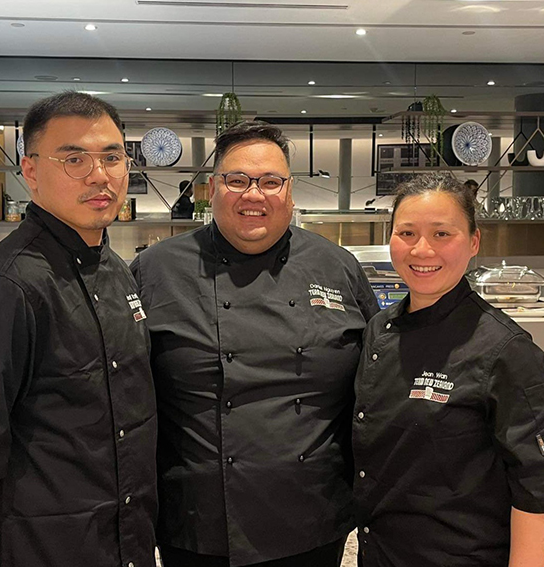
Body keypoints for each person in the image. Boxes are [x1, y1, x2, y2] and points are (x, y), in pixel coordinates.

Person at [130, 121, 380, 567]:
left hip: (312, 515)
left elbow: (377, 381)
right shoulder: (155, 271)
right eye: (237, 180)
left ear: (289, 192)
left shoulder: (337, 266)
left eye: (270, 182)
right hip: (197, 520)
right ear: (212, 189)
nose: (254, 195)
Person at [0, 92, 157, 567]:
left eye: (112, 157)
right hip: (43, 549)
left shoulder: (115, 268)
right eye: (74, 158)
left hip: (122, 540)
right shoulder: (4, 288)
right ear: (30, 171)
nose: (99, 175)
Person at [352, 173, 544, 567]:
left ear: (474, 242)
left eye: (442, 234)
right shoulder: (379, 329)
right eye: (406, 232)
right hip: (382, 553)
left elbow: (536, 488)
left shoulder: (506, 350)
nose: (422, 250)